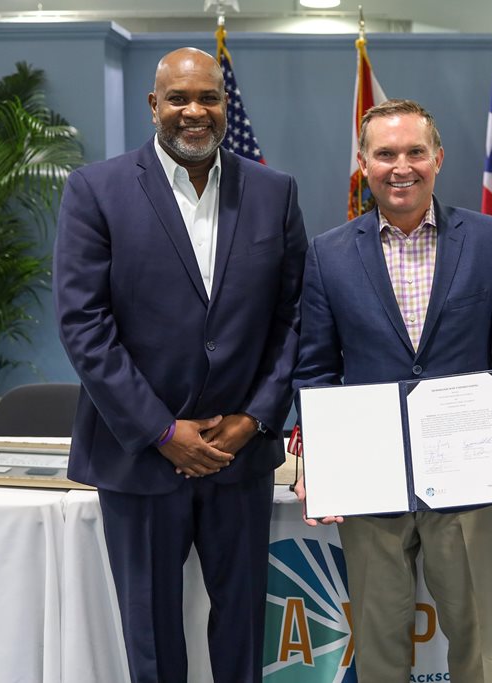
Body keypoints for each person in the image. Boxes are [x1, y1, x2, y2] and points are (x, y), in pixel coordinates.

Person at [54, 47, 307, 683]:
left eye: (209, 98)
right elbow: (84, 325)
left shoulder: (273, 192)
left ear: (226, 105)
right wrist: (164, 432)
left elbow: (296, 317)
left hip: (238, 456)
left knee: (245, 631)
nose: (194, 112)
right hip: (139, 459)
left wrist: (254, 418)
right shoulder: (96, 190)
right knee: (152, 640)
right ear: (154, 106)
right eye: (178, 99)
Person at [292, 99, 492, 683]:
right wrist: (317, 458)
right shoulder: (328, 254)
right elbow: (315, 369)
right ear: (363, 163)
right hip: (368, 479)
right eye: (384, 154)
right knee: (380, 647)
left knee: (477, 643)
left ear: (438, 158)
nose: (400, 166)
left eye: (414, 152)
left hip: (468, 474)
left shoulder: (491, 241)